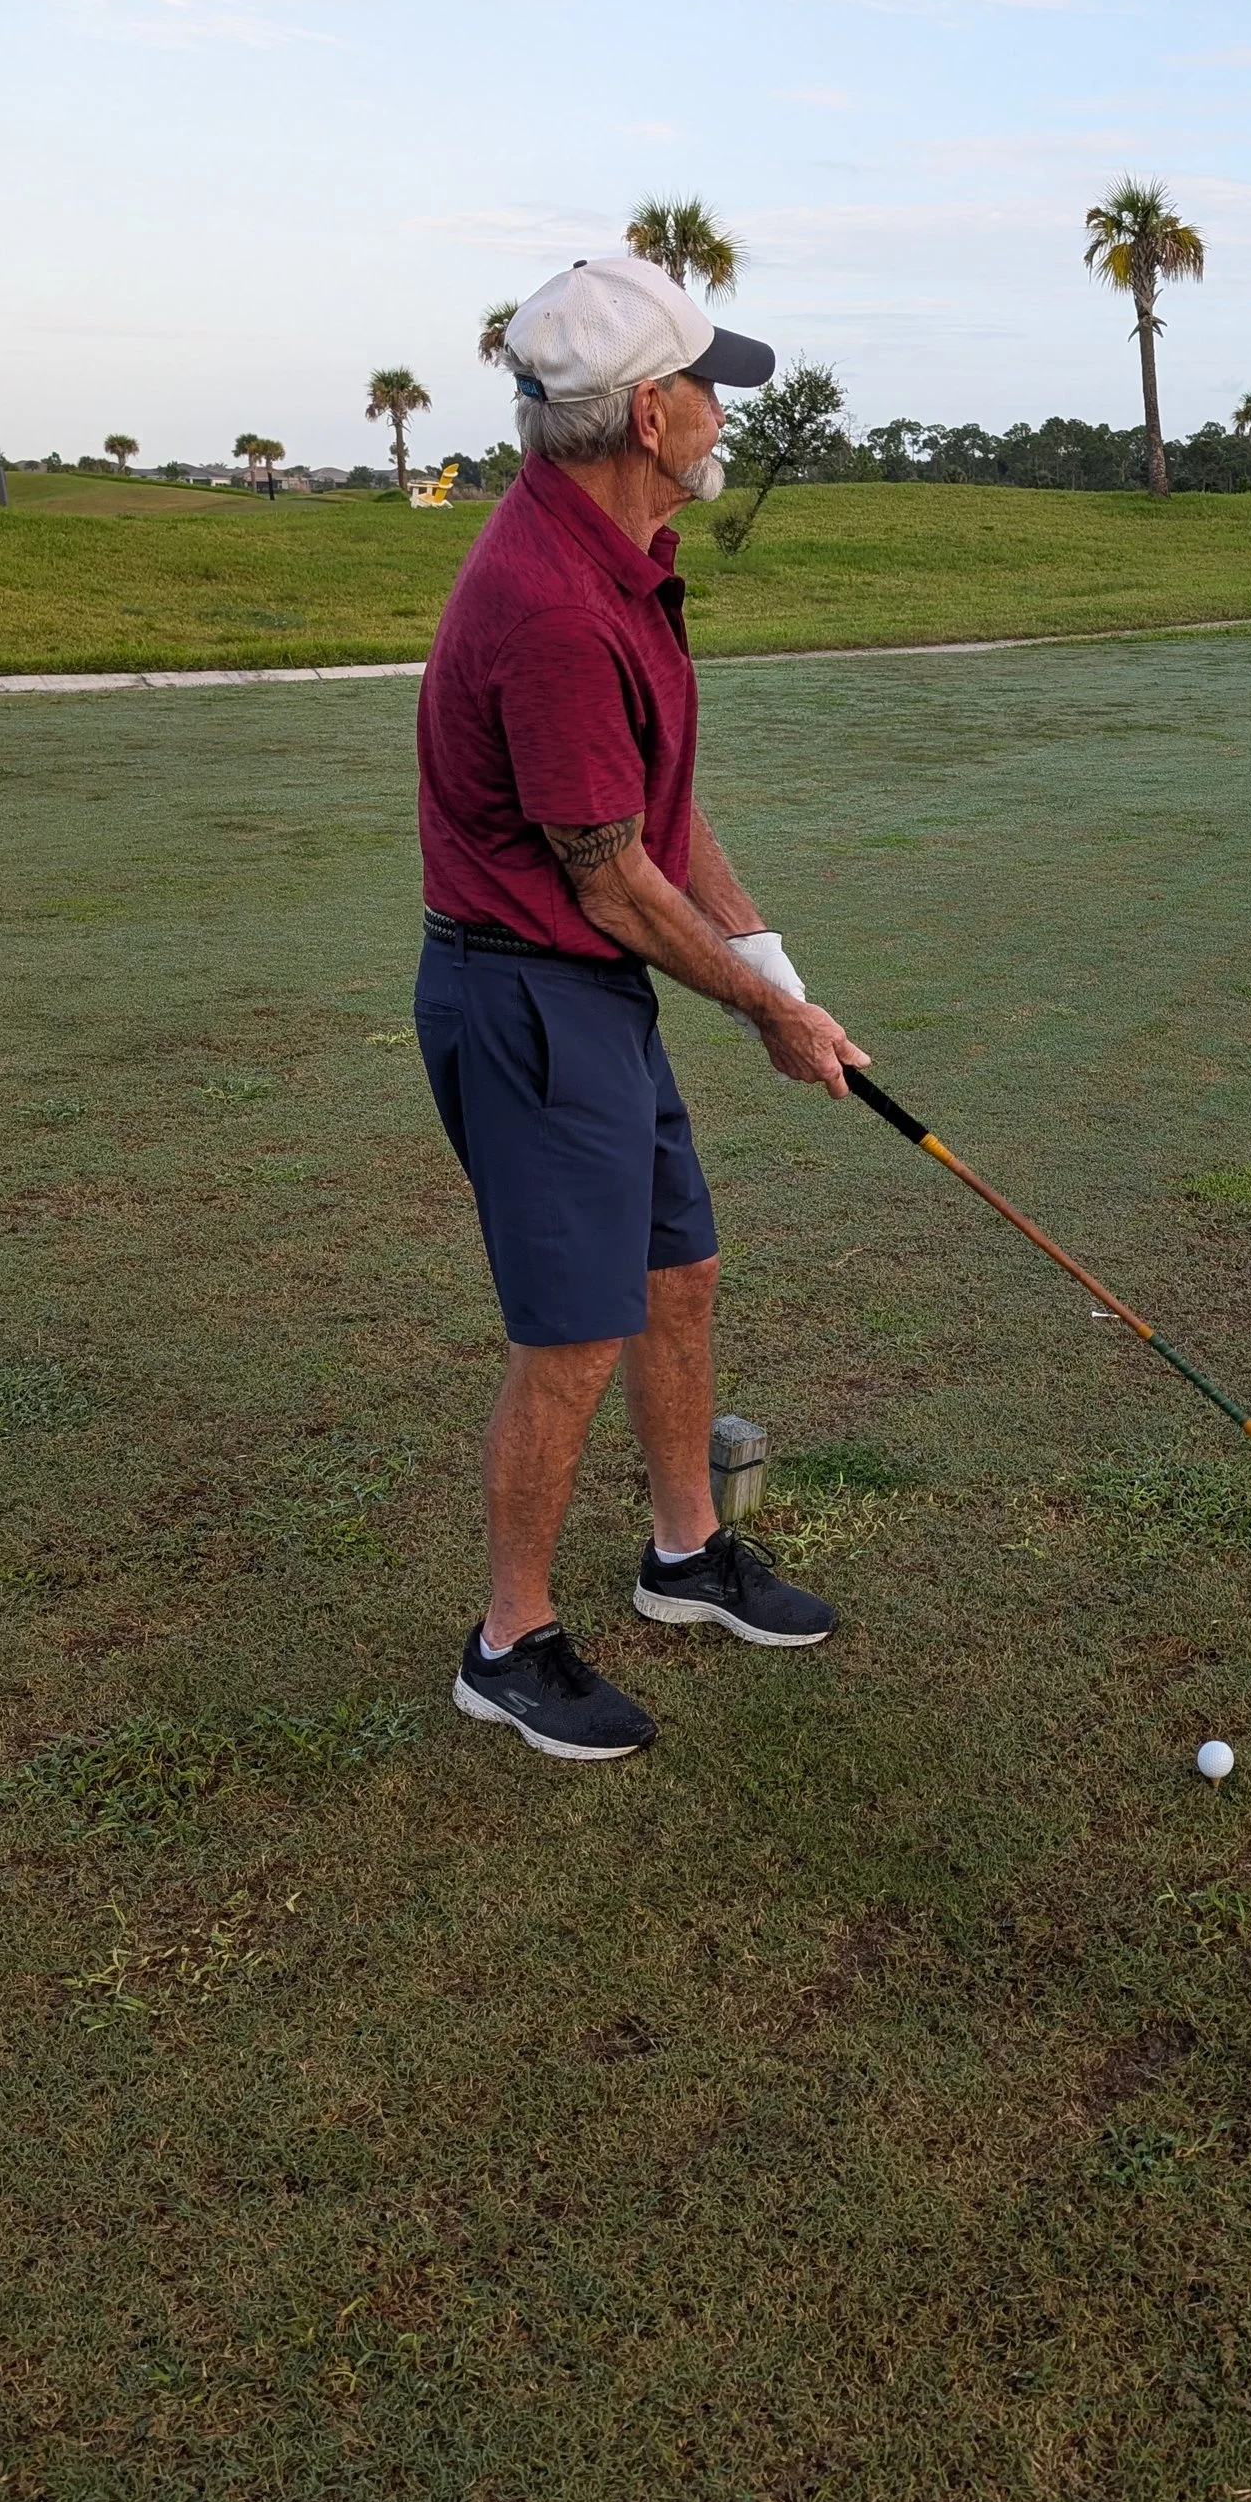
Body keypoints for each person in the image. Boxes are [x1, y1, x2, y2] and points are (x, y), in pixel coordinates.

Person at [412, 255, 871, 1763]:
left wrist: (775, 962)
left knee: (681, 1273)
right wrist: (765, 1016)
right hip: (531, 995)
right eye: (710, 391)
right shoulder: (548, 602)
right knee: (572, 1336)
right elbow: (608, 878)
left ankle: (685, 1557)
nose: (725, 413)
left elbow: (659, 813)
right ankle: (509, 1645)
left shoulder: (617, 552)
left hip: (592, 993)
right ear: (647, 414)